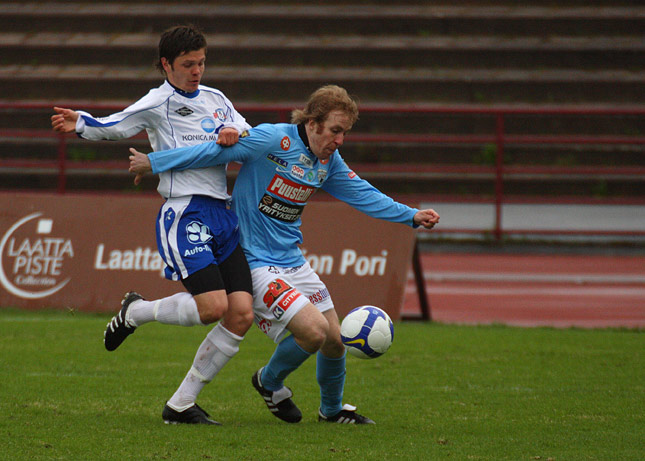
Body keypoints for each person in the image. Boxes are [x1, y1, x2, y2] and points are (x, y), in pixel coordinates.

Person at [129, 85, 440, 424]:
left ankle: (332, 412)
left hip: (292, 260)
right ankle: (268, 381)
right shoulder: (271, 140)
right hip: (255, 262)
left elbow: (362, 193)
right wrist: (154, 162)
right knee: (314, 332)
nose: (339, 140)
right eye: (335, 130)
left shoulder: (328, 162)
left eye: (345, 133)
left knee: (335, 341)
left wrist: (410, 215)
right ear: (313, 122)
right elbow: (211, 153)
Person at [51, 25, 254, 425]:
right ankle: (137, 312)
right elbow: (117, 125)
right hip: (184, 213)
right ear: (166, 64)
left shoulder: (216, 99)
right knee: (214, 307)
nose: (196, 71)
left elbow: (247, 132)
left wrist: (236, 131)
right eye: (187, 64)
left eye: (201, 63)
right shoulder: (157, 102)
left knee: (242, 313)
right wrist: (80, 123)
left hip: (222, 214)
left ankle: (180, 405)